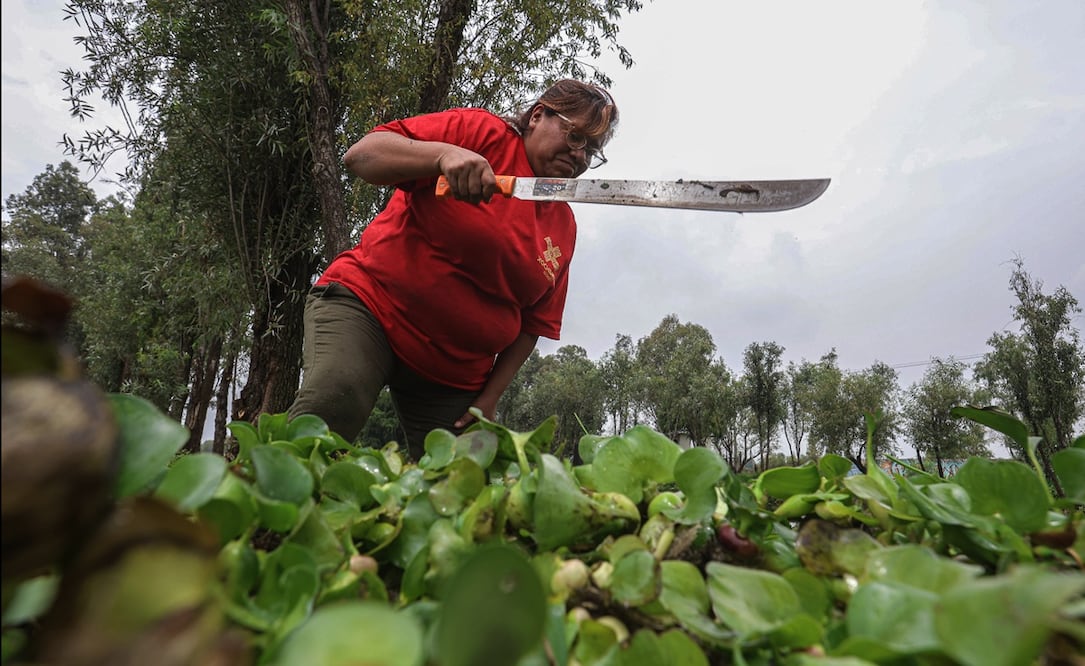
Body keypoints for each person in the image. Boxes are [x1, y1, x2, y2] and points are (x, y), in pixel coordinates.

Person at [287, 79, 618, 460]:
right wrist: (443, 156)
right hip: (371, 309)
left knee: (469, 478)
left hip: (453, 372)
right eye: (575, 135)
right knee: (335, 398)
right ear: (538, 116)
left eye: (591, 150)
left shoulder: (563, 224)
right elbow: (362, 156)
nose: (579, 155)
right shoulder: (481, 135)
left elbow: (534, 325)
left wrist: (488, 400)